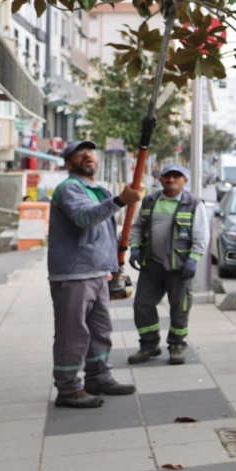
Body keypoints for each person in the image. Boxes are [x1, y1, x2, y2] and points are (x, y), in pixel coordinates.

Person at [48, 140, 141, 409]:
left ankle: (98, 377)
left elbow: (107, 234)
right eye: (80, 153)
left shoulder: (98, 190)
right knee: (72, 333)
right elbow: (84, 218)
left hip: (98, 272)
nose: (88, 155)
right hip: (74, 273)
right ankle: (68, 388)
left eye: (91, 151)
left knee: (100, 331)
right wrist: (121, 200)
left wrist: (114, 267)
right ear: (69, 163)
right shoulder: (69, 189)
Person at [126, 164, 208, 366]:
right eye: (167, 176)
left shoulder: (194, 204)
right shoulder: (150, 201)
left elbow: (201, 235)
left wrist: (193, 259)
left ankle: (177, 345)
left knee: (179, 307)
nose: (171, 180)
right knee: (142, 305)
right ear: (160, 179)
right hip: (151, 265)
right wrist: (134, 247)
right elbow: (137, 227)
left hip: (179, 267)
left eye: (176, 176)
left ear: (184, 181)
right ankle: (149, 345)